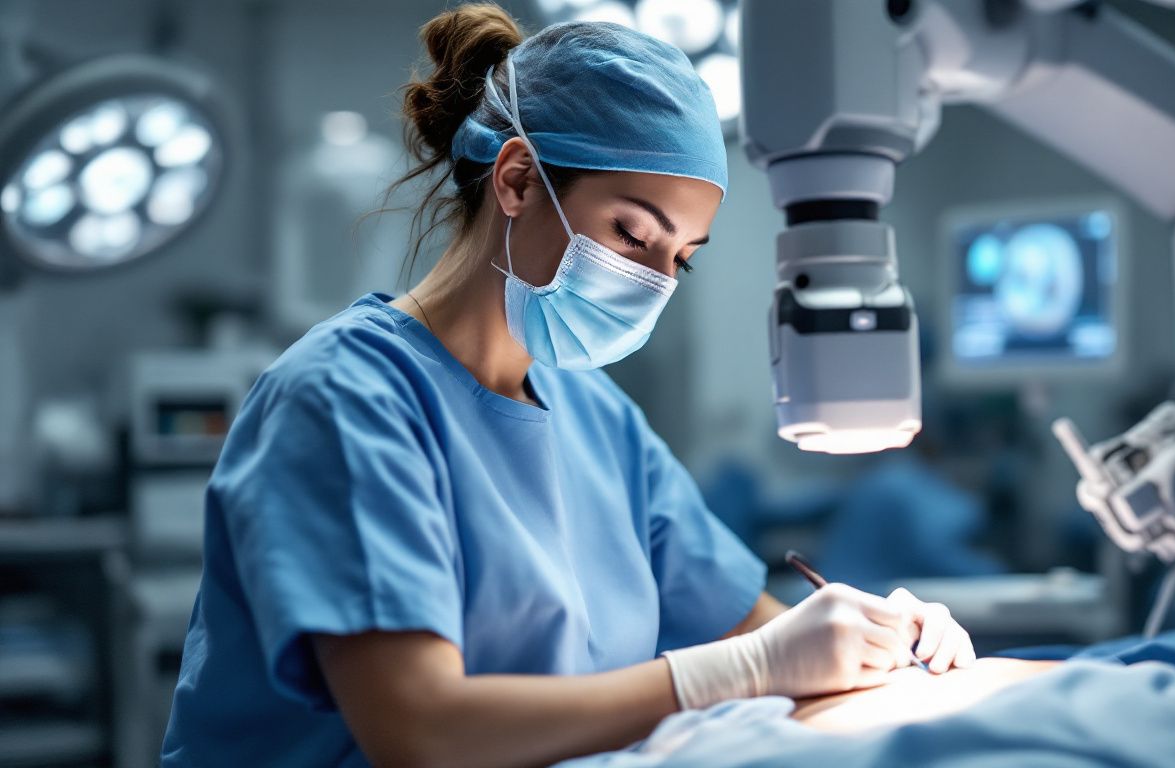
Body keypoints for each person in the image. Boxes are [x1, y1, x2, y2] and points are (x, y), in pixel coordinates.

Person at [160, 5, 976, 767]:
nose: (655, 283)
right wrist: (739, 671)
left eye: (681, 259)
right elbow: (420, 729)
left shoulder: (598, 419)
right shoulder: (345, 398)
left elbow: (761, 632)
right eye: (633, 234)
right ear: (517, 181)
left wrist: (873, 634)